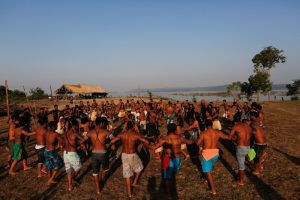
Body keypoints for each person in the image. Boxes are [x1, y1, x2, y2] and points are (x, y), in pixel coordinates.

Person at [150, 123, 193, 196]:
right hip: (177, 158)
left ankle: (168, 193)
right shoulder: (180, 138)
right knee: (172, 175)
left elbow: (153, 147)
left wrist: (145, 143)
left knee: (167, 176)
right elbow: (190, 142)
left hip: (167, 158)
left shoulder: (165, 139)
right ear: (175, 130)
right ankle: (170, 189)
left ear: (168, 129)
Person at [110, 121, 149, 198]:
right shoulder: (135, 135)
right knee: (139, 168)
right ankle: (134, 182)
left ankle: (129, 193)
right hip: (132, 154)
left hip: (124, 155)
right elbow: (146, 141)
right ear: (132, 127)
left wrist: (113, 145)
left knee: (127, 174)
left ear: (127, 127)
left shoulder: (122, 134)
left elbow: (112, 141)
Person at [196, 120, 231, 195]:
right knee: (208, 168)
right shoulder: (217, 132)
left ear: (205, 126)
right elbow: (227, 137)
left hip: (207, 154)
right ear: (212, 125)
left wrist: (200, 146)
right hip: (215, 153)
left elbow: (197, 143)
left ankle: (213, 190)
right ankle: (206, 178)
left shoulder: (203, 134)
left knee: (208, 172)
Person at [87, 117, 111, 195]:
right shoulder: (106, 131)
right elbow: (114, 138)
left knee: (95, 172)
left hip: (94, 153)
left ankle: (98, 189)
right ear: (101, 123)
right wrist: (109, 144)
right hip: (103, 152)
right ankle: (101, 181)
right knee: (106, 169)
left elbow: (83, 140)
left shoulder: (90, 132)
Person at [63, 118, 87, 191]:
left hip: (65, 153)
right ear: (73, 126)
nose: (78, 126)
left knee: (69, 170)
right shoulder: (75, 133)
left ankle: (70, 186)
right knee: (79, 166)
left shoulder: (65, 133)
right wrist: (86, 137)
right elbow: (83, 140)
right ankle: (73, 178)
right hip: (72, 154)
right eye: (77, 125)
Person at [229, 119, 252, 185]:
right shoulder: (250, 128)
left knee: (241, 165)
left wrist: (234, 141)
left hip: (241, 147)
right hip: (248, 147)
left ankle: (241, 181)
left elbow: (230, 136)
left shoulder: (237, 126)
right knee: (244, 161)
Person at [44, 121, 63, 185]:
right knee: (59, 165)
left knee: (50, 166)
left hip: (46, 151)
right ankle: (51, 179)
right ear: (53, 126)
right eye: (56, 125)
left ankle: (50, 179)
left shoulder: (46, 132)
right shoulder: (55, 134)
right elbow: (62, 141)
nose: (57, 126)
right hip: (52, 152)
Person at [250, 111, 267, 175]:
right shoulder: (258, 123)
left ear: (253, 116)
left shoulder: (253, 124)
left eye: (250, 115)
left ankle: (257, 170)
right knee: (257, 155)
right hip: (263, 143)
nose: (250, 116)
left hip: (259, 144)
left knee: (256, 158)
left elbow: (251, 132)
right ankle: (260, 164)